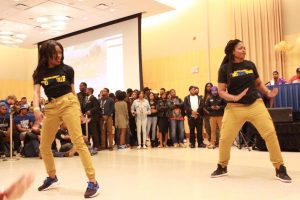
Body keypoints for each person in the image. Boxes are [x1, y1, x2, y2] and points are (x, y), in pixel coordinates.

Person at [211, 39, 291, 183]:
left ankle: (280, 168)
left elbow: (258, 83)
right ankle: (222, 166)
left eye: (244, 48)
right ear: (232, 51)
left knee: (270, 133)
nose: (244, 50)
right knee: (225, 138)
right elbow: (222, 92)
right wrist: (235, 97)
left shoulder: (250, 65)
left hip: (255, 104)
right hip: (234, 108)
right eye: (240, 48)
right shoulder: (224, 69)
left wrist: (268, 92)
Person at [32, 40, 99, 198]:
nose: (59, 56)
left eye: (61, 52)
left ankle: (93, 182)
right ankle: (52, 176)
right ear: (46, 54)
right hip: (51, 107)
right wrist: (36, 108)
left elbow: (72, 92)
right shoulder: (39, 73)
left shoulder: (67, 69)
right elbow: (36, 93)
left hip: (69, 103)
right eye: (56, 53)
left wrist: (80, 113)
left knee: (78, 142)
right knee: (44, 146)